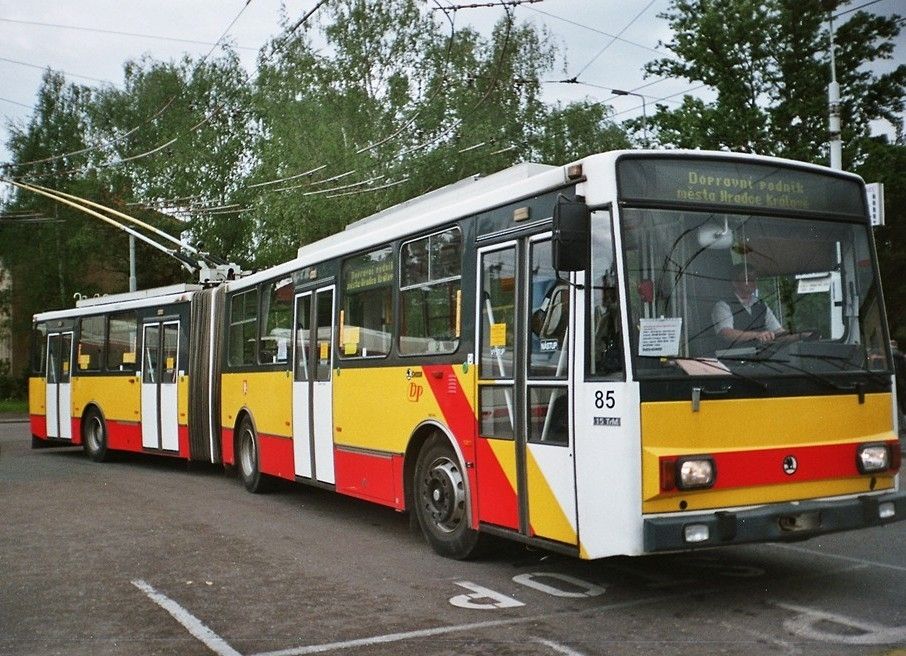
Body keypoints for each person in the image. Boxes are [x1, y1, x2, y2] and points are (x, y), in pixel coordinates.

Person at [712, 263, 785, 346]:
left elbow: (779, 332)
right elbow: (726, 333)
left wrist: (798, 336)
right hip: (733, 357)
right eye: (748, 278)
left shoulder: (761, 304)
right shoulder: (723, 305)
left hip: (763, 356)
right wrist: (756, 335)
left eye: (754, 278)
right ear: (735, 282)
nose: (753, 281)